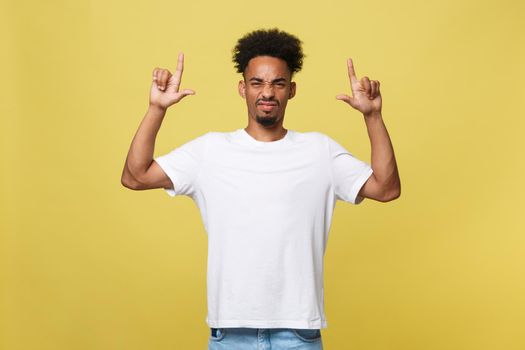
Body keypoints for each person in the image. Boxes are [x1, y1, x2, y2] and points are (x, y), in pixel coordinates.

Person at [121, 28, 400, 350]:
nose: (267, 92)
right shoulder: (210, 150)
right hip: (229, 334)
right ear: (243, 88)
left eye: (277, 83)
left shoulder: (319, 151)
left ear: (291, 90)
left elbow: (386, 188)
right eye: (257, 83)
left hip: (297, 334)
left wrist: (373, 117)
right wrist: (157, 109)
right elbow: (135, 177)